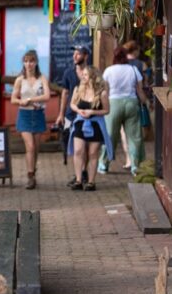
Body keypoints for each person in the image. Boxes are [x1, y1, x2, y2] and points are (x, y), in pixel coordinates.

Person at [99, 46, 150, 176]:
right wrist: (145, 102)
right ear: (126, 56)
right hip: (131, 103)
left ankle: (104, 165)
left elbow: (105, 91)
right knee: (134, 137)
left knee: (110, 136)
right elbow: (139, 90)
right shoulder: (133, 70)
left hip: (113, 104)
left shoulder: (108, 71)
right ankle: (135, 166)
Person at [11, 49, 53, 189]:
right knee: (30, 146)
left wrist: (30, 99)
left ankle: (33, 171)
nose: (28, 64)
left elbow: (47, 96)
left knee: (36, 148)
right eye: (26, 61)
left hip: (38, 113)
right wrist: (21, 102)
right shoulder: (19, 80)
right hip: (24, 115)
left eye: (31, 61)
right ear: (23, 63)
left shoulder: (42, 78)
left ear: (36, 63)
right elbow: (13, 99)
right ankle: (30, 176)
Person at [67, 65, 111, 191]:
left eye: (86, 75)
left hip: (96, 124)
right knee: (78, 151)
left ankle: (91, 182)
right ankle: (78, 180)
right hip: (80, 122)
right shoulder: (78, 89)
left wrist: (92, 112)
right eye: (83, 74)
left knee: (92, 153)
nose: (83, 76)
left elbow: (107, 110)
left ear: (93, 77)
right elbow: (72, 104)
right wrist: (79, 111)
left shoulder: (102, 93)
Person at [55, 45, 90, 183]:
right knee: (75, 147)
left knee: (86, 146)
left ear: (86, 56)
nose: (75, 56)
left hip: (88, 113)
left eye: (78, 54)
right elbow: (65, 93)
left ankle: (84, 171)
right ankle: (78, 174)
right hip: (71, 114)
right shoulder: (68, 73)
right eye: (74, 54)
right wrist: (61, 114)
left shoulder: (91, 72)